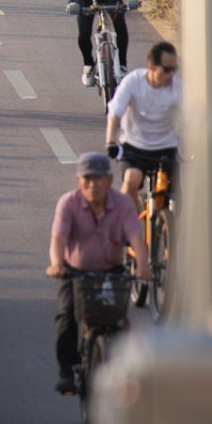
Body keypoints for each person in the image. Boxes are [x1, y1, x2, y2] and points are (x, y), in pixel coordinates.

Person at [47, 152, 148, 395]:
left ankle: (122, 373)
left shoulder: (123, 203)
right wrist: (56, 263)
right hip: (73, 272)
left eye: (99, 178)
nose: (93, 184)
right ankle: (66, 369)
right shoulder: (68, 203)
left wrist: (144, 268)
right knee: (66, 316)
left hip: (110, 272)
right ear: (79, 181)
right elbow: (58, 239)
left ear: (110, 180)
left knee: (120, 322)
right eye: (87, 178)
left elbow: (136, 238)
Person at [107, 40, 181, 209]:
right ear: (152, 66)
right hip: (135, 148)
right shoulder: (133, 81)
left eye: (174, 70)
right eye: (166, 69)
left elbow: (192, 116)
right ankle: (132, 227)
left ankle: (168, 230)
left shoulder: (177, 88)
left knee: (175, 202)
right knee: (130, 181)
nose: (171, 75)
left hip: (166, 149)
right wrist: (110, 141)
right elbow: (115, 113)